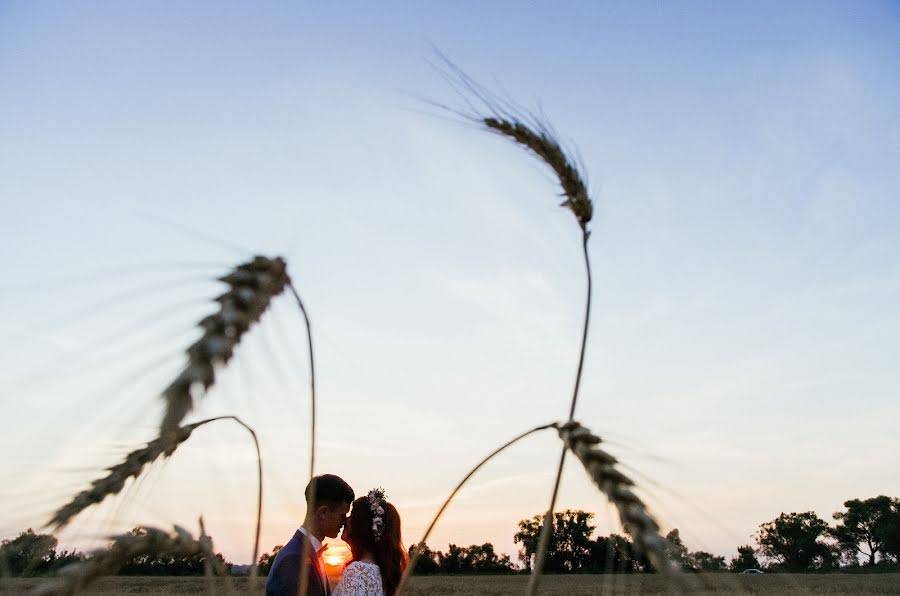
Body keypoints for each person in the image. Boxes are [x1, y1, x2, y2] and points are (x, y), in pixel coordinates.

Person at [266, 474, 355, 596]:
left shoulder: (307, 553)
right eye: (342, 515)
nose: (345, 521)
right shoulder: (294, 560)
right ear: (323, 513)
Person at [333, 488, 408, 596]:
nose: (345, 519)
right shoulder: (380, 572)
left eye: (352, 515)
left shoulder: (359, 572)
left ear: (362, 526)